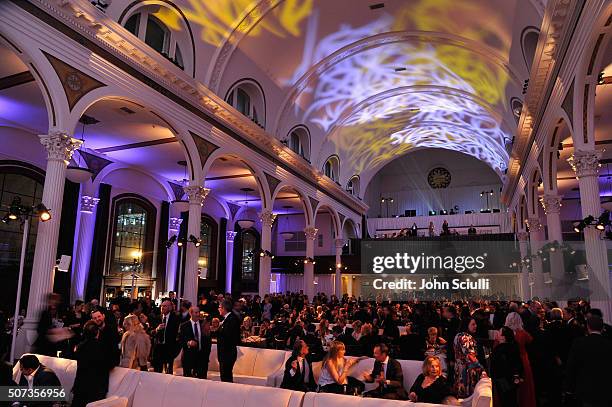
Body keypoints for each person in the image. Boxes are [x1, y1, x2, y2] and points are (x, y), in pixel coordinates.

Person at [564, 315, 612, 407]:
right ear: (602, 328)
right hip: (606, 389)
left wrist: (569, 388)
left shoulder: (578, 343)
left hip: (585, 388)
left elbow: (571, 366)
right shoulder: (609, 344)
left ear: (588, 327)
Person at [72, 321, 114, 407]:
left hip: (80, 385)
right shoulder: (103, 347)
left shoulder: (80, 347)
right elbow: (111, 364)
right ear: (97, 332)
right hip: (96, 388)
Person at [505, 312, 536, 407]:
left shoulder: (504, 333)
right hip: (523, 359)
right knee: (525, 385)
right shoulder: (523, 333)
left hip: (508, 361)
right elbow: (531, 341)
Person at [490, 326, 523, 407]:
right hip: (513, 378)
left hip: (502, 380)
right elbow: (518, 364)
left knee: (505, 401)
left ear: (503, 337)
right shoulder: (514, 346)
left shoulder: (499, 349)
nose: (497, 333)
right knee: (512, 399)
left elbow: (495, 367)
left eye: (499, 332)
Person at [453, 317, 484, 398]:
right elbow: (470, 356)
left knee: (461, 396)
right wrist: (482, 369)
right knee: (468, 397)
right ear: (466, 325)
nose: (476, 326)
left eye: (475, 324)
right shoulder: (465, 337)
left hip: (459, 369)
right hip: (467, 372)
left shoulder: (458, 335)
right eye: (473, 324)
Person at [178, 306, 211, 379]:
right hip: (188, 358)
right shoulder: (184, 326)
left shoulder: (204, 324)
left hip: (202, 359)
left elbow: (208, 341)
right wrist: (188, 343)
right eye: (196, 312)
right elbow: (180, 340)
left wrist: (206, 355)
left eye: (199, 312)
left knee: (202, 382)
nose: (198, 314)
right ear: (191, 313)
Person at [152, 300, 180, 374]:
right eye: (161, 306)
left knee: (168, 371)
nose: (162, 308)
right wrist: (157, 329)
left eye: (165, 306)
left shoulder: (176, 318)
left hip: (169, 348)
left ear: (170, 308)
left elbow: (178, 334)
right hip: (158, 348)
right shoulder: (156, 318)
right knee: (157, 371)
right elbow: (151, 332)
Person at [217, 299, 241, 382]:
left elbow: (227, 337)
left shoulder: (231, 319)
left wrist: (218, 331)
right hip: (225, 353)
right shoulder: (228, 319)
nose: (218, 309)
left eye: (219, 307)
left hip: (227, 353)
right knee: (225, 376)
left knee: (226, 377)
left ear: (224, 308)